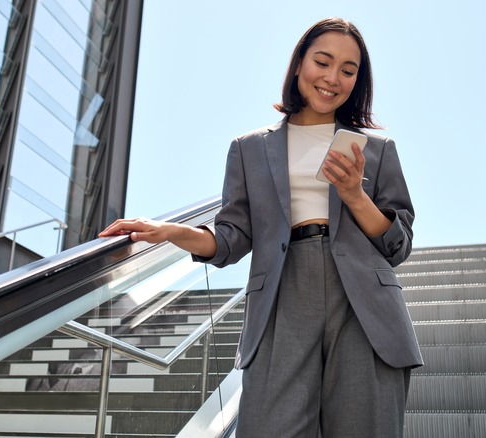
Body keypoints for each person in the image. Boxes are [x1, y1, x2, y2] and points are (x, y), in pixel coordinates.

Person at [99, 17, 422, 437]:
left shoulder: (376, 149)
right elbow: (232, 237)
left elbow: (399, 246)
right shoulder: (249, 149)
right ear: (298, 65)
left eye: (348, 69)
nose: (332, 77)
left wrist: (355, 196)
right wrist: (174, 232)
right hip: (280, 298)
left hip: (364, 304)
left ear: (358, 81)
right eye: (322, 62)